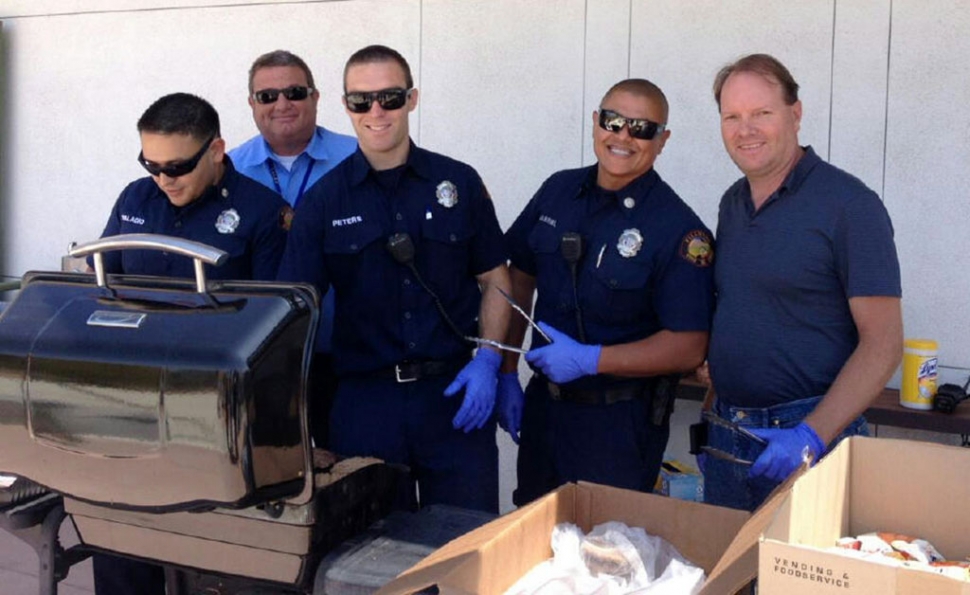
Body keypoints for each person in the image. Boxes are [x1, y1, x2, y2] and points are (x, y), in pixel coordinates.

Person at [277, 45, 511, 513]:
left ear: (412, 98)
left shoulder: (459, 182)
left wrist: (490, 362)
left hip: (454, 395)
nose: (376, 111)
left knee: (467, 550)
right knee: (371, 561)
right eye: (362, 101)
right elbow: (291, 310)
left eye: (390, 97)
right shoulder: (324, 202)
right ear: (345, 106)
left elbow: (495, 277)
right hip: (366, 404)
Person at [90, 92, 289, 595]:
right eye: (151, 164)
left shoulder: (262, 213)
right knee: (123, 546)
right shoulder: (136, 199)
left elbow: (277, 327)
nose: (164, 178)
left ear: (217, 150)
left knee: (222, 557)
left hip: (215, 414)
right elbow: (98, 291)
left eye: (177, 166)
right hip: (133, 407)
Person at [501, 79, 716, 507]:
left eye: (641, 128)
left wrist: (591, 359)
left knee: (607, 554)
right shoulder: (557, 191)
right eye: (613, 121)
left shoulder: (678, 230)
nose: (622, 137)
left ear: (663, 140)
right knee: (528, 540)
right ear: (596, 122)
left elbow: (689, 346)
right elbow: (519, 277)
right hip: (545, 411)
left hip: (619, 423)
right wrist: (506, 371)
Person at [703, 53, 903, 512]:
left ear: (795, 114)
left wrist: (811, 435)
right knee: (730, 582)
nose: (745, 129)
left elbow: (884, 343)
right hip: (728, 432)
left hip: (809, 440)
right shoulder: (732, 204)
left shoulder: (850, 206)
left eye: (761, 114)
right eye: (732, 116)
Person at [230, 50, 357, 448]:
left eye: (295, 92)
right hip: (260, 358)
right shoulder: (227, 169)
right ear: (252, 104)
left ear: (316, 97)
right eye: (267, 96)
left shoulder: (358, 159)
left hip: (345, 353)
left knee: (350, 472)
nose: (282, 104)